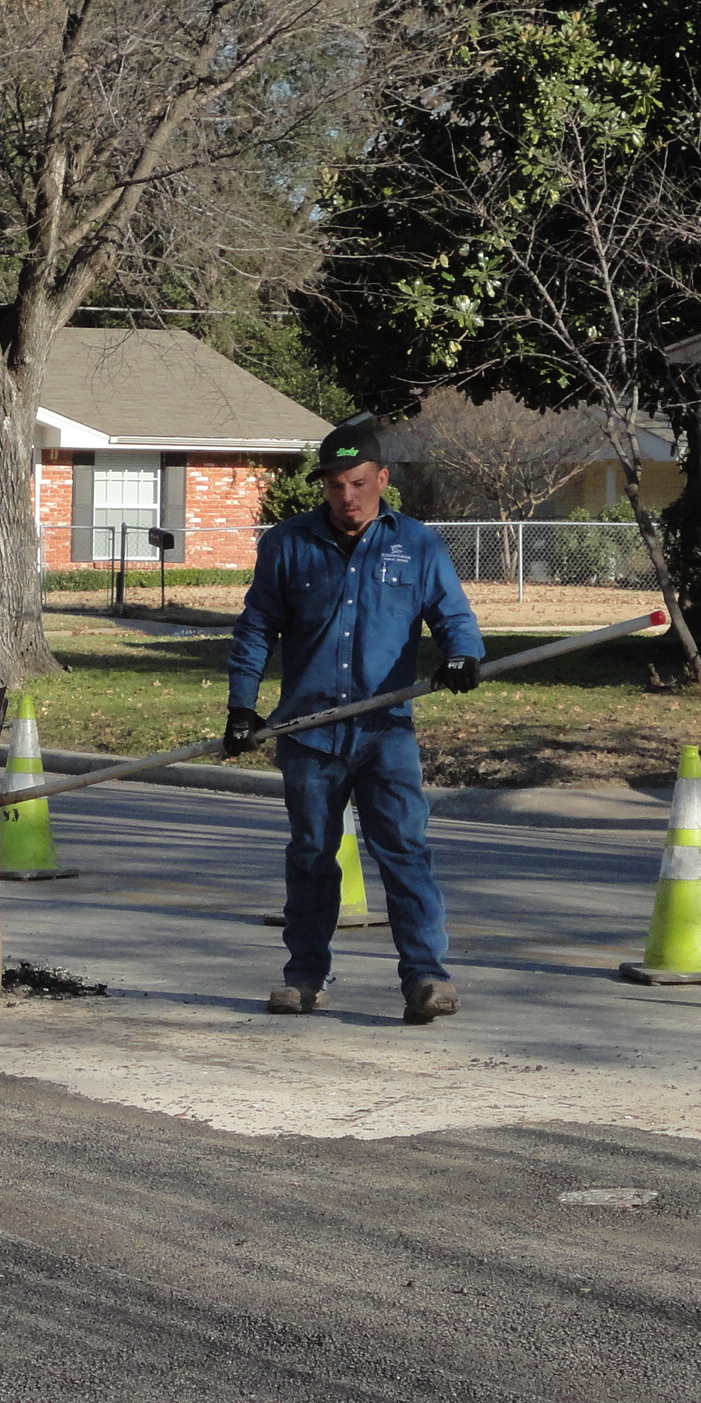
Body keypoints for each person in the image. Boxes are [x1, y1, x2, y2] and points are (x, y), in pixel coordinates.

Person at [224, 422, 483, 1023]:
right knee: (312, 854)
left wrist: (462, 656)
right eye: (336, 485)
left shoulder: (417, 546)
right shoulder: (287, 544)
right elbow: (256, 629)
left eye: (359, 483)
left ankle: (425, 977)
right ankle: (304, 977)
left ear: (381, 479)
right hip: (307, 734)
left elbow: (454, 617)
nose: (348, 497)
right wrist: (242, 705)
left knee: (404, 850)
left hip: (385, 730)